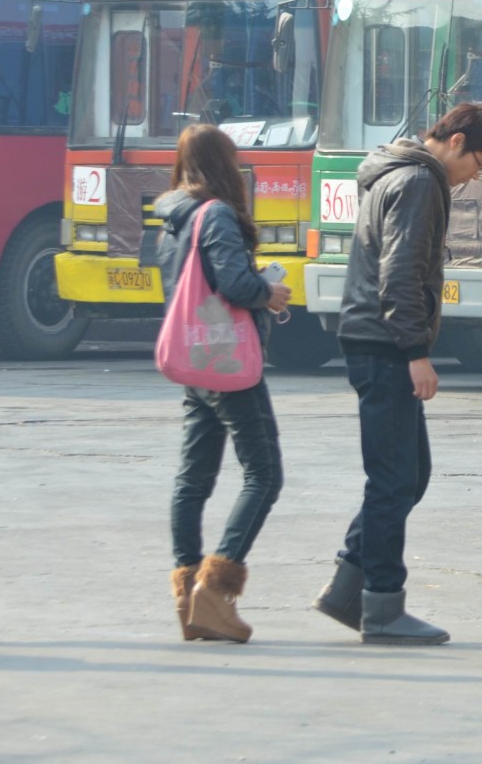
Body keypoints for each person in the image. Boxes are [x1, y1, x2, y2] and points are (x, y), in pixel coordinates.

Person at [314, 102, 482, 645]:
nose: (477, 177)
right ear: (457, 141)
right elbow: (399, 275)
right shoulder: (420, 183)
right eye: (481, 163)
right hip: (383, 343)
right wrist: (414, 353)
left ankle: (349, 586)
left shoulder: (395, 173)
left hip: (373, 339)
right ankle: (380, 606)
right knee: (394, 479)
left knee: (409, 474)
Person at [154, 124, 290, 645]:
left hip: (194, 360)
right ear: (223, 165)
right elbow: (233, 284)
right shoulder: (217, 215)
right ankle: (216, 591)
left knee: (193, 479)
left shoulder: (171, 217)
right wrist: (269, 292)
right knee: (264, 475)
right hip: (227, 362)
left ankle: (188, 594)